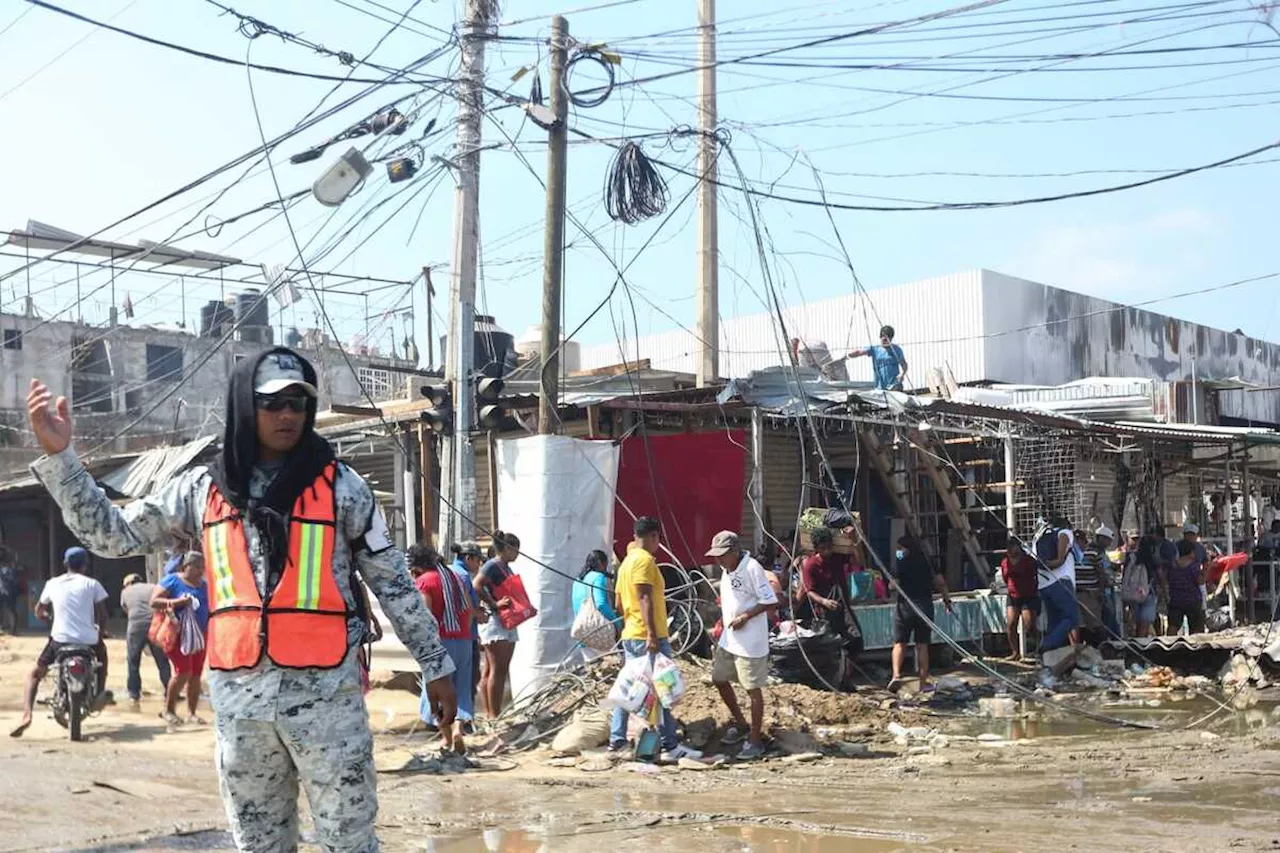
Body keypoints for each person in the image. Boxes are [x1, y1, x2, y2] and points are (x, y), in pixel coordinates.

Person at [24, 348, 456, 851]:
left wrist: (436, 665)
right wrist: (63, 460)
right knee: (257, 843)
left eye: (298, 402)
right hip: (240, 708)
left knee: (350, 841)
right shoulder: (202, 489)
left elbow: (394, 583)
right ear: (245, 407)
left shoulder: (344, 488)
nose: (288, 414)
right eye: (272, 403)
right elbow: (112, 536)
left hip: (327, 704)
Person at [608, 516, 702, 762]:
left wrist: (632, 625)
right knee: (664, 688)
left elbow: (618, 603)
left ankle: (617, 741)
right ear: (653, 536)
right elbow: (645, 598)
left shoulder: (626, 563)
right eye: (657, 539)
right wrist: (650, 633)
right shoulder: (644, 561)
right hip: (648, 637)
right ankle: (670, 746)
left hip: (632, 634)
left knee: (631, 691)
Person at [11, 547, 109, 738]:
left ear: (65, 564)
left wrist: (45, 615)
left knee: (34, 674)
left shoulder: (53, 583)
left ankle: (26, 715)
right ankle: (99, 692)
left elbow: (38, 610)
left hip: (60, 640)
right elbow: (103, 614)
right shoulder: (92, 584)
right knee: (102, 656)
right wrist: (101, 631)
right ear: (85, 565)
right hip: (88, 641)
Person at [707, 531, 778, 760]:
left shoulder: (752, 568)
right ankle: (740, 723)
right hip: (729, 639)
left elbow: (770, 600)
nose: (718, 560)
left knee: (752, 690)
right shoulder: (728, 570)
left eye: (722, 555)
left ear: (735, 552)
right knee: (719, 679)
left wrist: (745, 617)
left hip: (750, 642)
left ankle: (756, 739)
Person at [411, 542, 478, 754]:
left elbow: (425, 616)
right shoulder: (456, 578)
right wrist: (463, 633)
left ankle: (447, 738)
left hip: (440, 643)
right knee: (461, 690)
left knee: (439, 692)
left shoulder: (424, 581)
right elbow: (469, 610)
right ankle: (458, 729)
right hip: (464, 641)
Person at [151, 551, 210, 726]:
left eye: (202, 567)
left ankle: (192, 713)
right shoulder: (172, 581)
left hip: (200, 635)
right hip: (178, 635)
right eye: (196, 567)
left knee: (196, 674)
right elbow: (154, 601)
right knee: (183, 672)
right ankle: (168, 710)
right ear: (186, 567)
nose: (200, 571)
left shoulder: (204, 586)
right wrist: (177, 603)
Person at [888, 536, 952, 693]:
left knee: (899, 643)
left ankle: (896, 675)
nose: (899, 551)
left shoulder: (900, 562)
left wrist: (891, 583)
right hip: (924, 606)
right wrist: (946, 600)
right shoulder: (929, 561)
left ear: (906, 548)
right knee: (922, 646)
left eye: (900, 548)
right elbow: (940, 582)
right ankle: (923, 684)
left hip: (905, 607)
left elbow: (892, 586)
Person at [473, 530, 521, 719]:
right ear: (507, 549)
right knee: (498, 669)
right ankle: (494, 714)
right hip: (496, 622)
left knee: (491, 669)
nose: (517, 554)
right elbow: (476, 585)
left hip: (504, 621)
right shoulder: (493, 565)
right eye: (516, 550)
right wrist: (494, 604)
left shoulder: (504, 567)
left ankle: (490, 712)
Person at [120, 573, 171, 711]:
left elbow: (126, 609)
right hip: (155, 625)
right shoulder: (154, 587)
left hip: (136, 627)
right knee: (162, 661)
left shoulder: (125, 592)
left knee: (133, 661)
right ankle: (170, 691)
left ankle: (134, 693)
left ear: (128, 584)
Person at [1036, 515, 1080, 653]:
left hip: (1043, 584)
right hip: (1061, 581)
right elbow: (1060, 560)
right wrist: (1058, 561)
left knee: (1054, 622)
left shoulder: (1039, 536)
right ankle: (1047, 645)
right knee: (1072, 617)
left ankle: (1050, 659)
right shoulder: (1065, 532)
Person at [799, 528, 851, 635]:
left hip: (842, 605)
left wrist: (853, 538)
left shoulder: (838, 558)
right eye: (823, 548)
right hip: (823, 610)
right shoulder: (810, 564)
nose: (827, 551)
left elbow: (859, 561)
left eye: (829, 547)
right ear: (816, 548)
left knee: (852, 636)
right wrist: (824, 602)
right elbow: (809, 591)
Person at [572, 549, 621, 648]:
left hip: (581, 633)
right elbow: (601, 604)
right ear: (601, 563)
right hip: (597, 633)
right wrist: (617, 623)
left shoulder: (577, 580)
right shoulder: (598, 577)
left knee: (590, 663)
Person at [999, 541, 1039, 660]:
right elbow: (1005, 578)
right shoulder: (1005, 562)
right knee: (1011, 624)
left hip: (1028, 594)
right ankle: (1015, 652)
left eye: (1014, 548)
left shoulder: (1028, 560)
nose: (1011, 550)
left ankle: (1038, 648)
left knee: (1029, 624)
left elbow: (1034, 574)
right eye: (1009, 548)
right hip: (1013, 595)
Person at [1077, 526, 1116, 644]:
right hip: (1087, 592)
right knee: (1096, 623)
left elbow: (1101, 571)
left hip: (1088, 592)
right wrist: (1101, 590)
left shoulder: (1093, 552)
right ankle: (1105, 644)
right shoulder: (1092, 552)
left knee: (1094, 622)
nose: (1109, 543)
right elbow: (1100, 572)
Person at [1163, 539, 1207, 635]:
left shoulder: (1172, 566)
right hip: (1192, 600)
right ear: (1191, 552)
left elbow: (1166, 579)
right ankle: (1195, 647)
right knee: (1196, 628)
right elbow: (1201, 581)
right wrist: (1206, 570)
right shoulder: (1193, 566)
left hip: (1175, 599)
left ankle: (1168, 645)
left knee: (1173, 626)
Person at [847, 324, 907, 391]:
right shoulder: (875, 349)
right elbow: (859, 352)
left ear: (891, 338)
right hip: (880, 386)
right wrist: (847, 356)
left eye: (887, 339)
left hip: (894, 385)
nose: (884, 341)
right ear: (880, 337)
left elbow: (904, 364)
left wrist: (902, 374)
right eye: (883, 339)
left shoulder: (896, 350)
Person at [1127, 534, 1161, 638]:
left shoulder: (1131, 557)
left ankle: (1135, 641)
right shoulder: (1153, 559)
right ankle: (1141, 645)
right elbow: (1159, 575)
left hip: (1133, 593)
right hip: (1148, 592)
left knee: (1135, 622)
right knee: (1145, 623)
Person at [0, 546, 23, 635]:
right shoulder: (10, 566)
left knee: (11, 609)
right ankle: (7, 628)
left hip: (9, 590)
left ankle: (12, 629)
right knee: (8, 609)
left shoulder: (10, 565)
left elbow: (14, 575)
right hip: (6, 589)